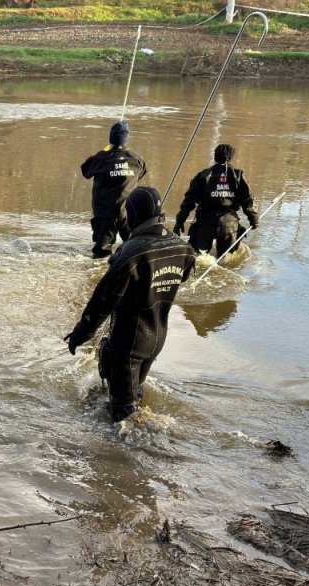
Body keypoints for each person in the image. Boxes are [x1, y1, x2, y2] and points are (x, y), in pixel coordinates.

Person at [64, 186, 195, 422]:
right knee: (134, 393)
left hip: (129, 343)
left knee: (123, 417)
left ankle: (131, 453)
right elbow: (181, 276)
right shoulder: (183, 248)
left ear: (133, 214)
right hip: (157, 338)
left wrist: (80, 334)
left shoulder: (131, 254)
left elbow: (102, 300)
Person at [173, 144, 258, 257]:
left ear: (215, 156)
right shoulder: (238, 175)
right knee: (227, 260)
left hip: (205, 223)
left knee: (198, 258)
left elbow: (189, 201)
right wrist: (253, 219)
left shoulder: (203, 175)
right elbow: (247, 200)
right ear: (231, 157)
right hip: (229, 223)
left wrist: (179, 221)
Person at [81, 121, 147, 259]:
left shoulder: (101, 157)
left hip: (105, 213)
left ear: (110, 138)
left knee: (101, 254)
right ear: (127, 139)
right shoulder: (137, 160)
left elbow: (85, 170)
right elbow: (140, 175)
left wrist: (107, 150)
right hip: (128, 213)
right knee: (133, 250)